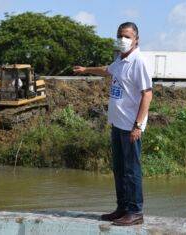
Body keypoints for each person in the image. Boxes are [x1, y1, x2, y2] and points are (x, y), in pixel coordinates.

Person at [73, 22, 153, 226]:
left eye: (127, 36)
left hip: (130, 127)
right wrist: (85, 69)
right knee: (119, 168)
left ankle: (135, 211)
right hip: (117, 124)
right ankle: (122, 208)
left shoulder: (139, 61)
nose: (123, 40)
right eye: (120, 36)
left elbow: (147, 95)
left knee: (131, 169)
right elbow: (106, 71)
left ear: (136, 39)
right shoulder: (119, 59)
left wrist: (137, 126)